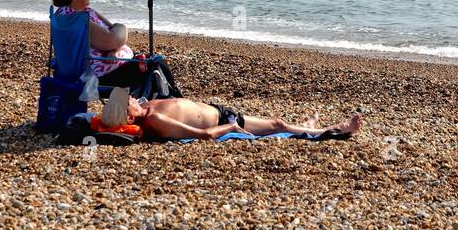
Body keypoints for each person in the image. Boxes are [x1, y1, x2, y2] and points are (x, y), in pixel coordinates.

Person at [49, 0, 179, 94]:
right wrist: (122, 27)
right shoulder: (78, 19)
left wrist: (114, 50)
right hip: (98, 76)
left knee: (147, 61)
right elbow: (114, 37)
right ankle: (170, 104)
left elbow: (112, 39)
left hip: (76, 72)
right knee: (155, 64)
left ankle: (164, 105)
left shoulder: (61, 16)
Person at [126, 93, 362, 141]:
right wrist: (230, 129)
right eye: (127, 102)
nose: (131, 98)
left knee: (278, 124)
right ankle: (334, 130)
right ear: (129, 118)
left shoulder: (148, 106)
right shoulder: (154, 119)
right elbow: (205, 135)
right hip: (221, 121)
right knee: (276, 125)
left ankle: (303, 127)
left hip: (218, 110)